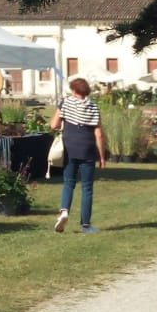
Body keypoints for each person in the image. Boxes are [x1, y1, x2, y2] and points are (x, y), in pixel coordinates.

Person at [51, 77, 107, 233]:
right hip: (88, 148)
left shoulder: (66, 103)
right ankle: (86, 225)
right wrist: (102, 156)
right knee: (87, 188)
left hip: (70, 148)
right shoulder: (93, 107)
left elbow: (54, 125)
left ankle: (64, 211)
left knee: (68, 182)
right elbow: (99, 134)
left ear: (73, 90)